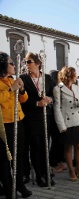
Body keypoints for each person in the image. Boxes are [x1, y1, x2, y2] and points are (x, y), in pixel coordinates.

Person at [20, 52, 55, 187]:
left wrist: (49, 99)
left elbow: (52, 93)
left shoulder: (46, 78)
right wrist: (36, 103)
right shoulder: (23, 78)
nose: (27, 65)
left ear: (38, 64)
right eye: (25, 62)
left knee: (45, 146)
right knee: (36, 146)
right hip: (31, 118)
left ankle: (46, 172)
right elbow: (22, 100)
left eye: (29, 62)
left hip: (45, 117)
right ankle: (39, 175)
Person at [0, 52, 32, 198]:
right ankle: (8, 188)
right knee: (5, 159)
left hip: (18, 120)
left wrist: (22, 89)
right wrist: (10, 89)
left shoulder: (11, 79)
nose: (13, 65)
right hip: (4, 125)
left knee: (19, 155)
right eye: (11, 63)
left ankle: (19, 184)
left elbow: (23, 99)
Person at [53, 66, 79, 182]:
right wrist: (61, 126)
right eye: (74, 73)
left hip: (78, 120)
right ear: (69, 75)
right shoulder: (58, 89)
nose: (76, 75)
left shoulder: (77, 87)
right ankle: (71, 170)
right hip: (67, 121)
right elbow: (56, 109)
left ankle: (78, 168)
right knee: (68, 148)